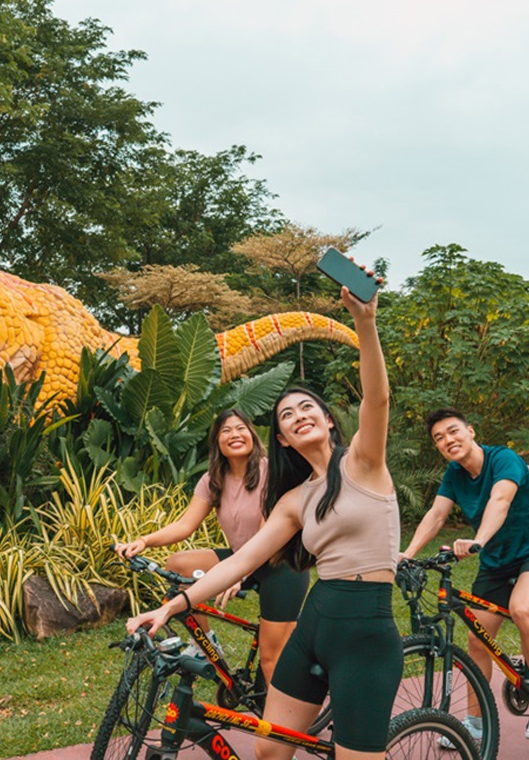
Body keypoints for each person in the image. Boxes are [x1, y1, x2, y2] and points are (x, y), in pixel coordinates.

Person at [127, 287, 401, 760]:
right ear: (283, 440)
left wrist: (366, 322)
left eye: (306, 407)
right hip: (317, 620)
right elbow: (244, 560)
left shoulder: (363, 462)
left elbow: (377, 397)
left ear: (329, 420)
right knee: (268, 752)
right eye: (287, 415)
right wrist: (171, 608)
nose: (298, 416)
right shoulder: (294, 500)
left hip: (365, 629)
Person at [401, 408, 529, 742]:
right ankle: (474, 723)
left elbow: (500, 500)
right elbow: (436, 515)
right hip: (496, 562)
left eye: (453, 432)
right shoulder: (454, 474)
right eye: (439, 438)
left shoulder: (503, 459)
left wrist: (478, 540)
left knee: (522, 610)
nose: (448, 440)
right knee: (477, 639)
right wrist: (408, 554)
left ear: (470, 431)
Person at [115, 408, 309, 685]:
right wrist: (144, 541)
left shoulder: (270, 470)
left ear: (252, 434)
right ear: (217, 441)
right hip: (241, 557)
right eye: (226, 430)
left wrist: (240, 572)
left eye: (241, 428)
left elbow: (269, 530)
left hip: (280, 564)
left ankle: (284, 720)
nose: (235, 435)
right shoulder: (213, 480)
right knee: (179, 564)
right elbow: (185, 526)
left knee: (270, 659)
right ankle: (206, 646)